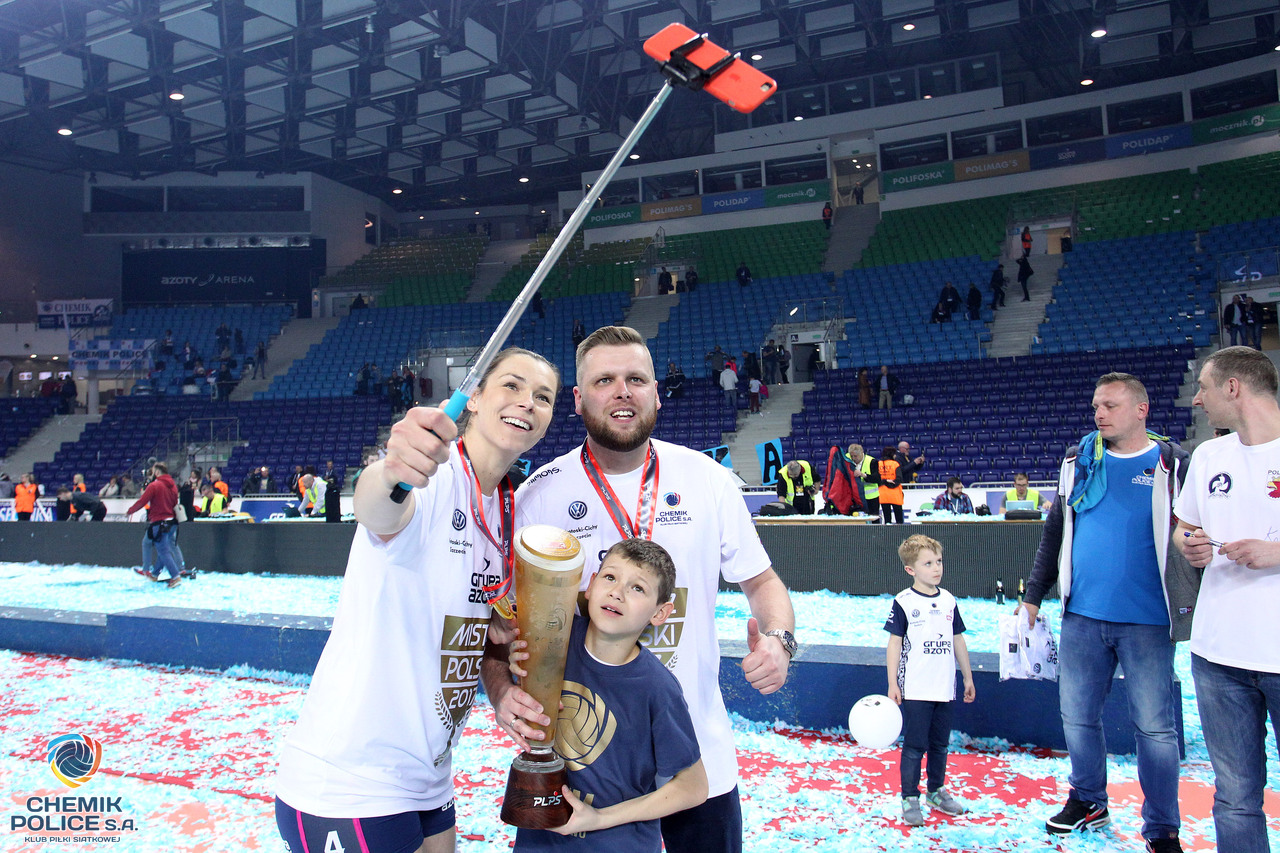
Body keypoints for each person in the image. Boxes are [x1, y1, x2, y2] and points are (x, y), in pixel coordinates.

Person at [491, 326, 795, 853]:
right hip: (585, 771)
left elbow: (763, 581)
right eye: (604, 380)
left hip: (698, 762)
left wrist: (779, 639)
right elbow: (498, 626)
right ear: (578, 399)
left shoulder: (707, 480)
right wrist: (500, 693)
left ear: (656, 392)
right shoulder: (540, 496)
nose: (622, 392)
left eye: (636, 379)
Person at [274, 347, 560, 853]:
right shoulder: (434, 478)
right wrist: (392, 472)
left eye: (543, 397)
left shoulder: (505, 508)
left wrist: (499, 684)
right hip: (351, 779)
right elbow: (378, 510)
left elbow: (470, 631)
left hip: (429, 778)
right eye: (512, 385)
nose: (527, 402)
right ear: (474, 398)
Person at [1017, 372, 1193, 852]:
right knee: (1077, 717)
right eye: (1096, 405)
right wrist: (1034, 593)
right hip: (1082, 616)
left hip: (1149, 620)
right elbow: (1055, 530)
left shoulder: (1172, 464)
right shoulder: (1077, 461)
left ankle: (1162, 828)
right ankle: (1088, 800)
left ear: (1141, 410)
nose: (1099, 414)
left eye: (1110, 406)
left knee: (1154, 729)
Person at [508, 538, 708, 851]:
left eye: (637, 588)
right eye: (610, 577)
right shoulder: (551, 639)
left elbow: (694, 787)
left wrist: (599, 818)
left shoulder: (657, 688)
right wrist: (518, 666)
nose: (617, 592)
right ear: (590, 585)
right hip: (540, 840)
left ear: (661, 613)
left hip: (619, 843)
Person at [1173, 346, 1280, 853]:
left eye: (1204, 387)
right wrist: (1189, 544)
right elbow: (1184, 527)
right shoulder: (1209, 456)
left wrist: (1276, 552)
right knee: (1235, 798)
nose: (1196, 399)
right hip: (1217, 658)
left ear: (1233, 388)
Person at [886, 534, 975, 827]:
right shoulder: (903, 602)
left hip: (944, 687)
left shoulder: (948, 600)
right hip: (916, 687)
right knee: (915, 745)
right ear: (910, 569)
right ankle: (909, 797)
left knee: (940, 745)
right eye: (928, 563)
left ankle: (936, 791)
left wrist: (967, 676)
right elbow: (895, 644)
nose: (936, 568)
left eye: (938, 561)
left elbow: (957, 639)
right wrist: (893, 683)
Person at [127, 462, 184, 588]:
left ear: (157, 472)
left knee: (163, 551)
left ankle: (175, 576)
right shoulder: (173, 486)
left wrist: (130, 510)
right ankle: (153, 573)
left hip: (159, 522)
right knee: (150, 543)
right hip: (172, 521)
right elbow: (174, 503)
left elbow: (142, 501)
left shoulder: (154, 485)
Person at [873, 445, 918, 524]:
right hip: (895, 494)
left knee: (887, 520)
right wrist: (891, 485)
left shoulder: (878, 464)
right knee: (899, 519)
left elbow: (876, 479)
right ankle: (899, 531)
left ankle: (888, 531)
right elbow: (899, 479)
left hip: (883, 494)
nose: (895, 456)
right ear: (891, 454)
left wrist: (885, 482)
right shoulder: (895, 464)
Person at [847, 444, 878, 517]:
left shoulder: (872, 461)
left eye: (855, 456)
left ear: (861, 453)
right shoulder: (848, 460)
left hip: (871, 498)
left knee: (873, 519)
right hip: (855, 498)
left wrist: (863, 475)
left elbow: (877, 479)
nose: (853, 458)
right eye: (851, 456)